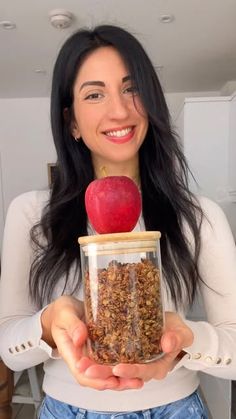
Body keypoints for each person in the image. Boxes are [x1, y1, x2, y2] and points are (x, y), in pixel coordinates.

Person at [0, 24, 236, 419]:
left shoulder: (199, 215)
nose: (120, 110)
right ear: (71, 120)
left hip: (174, 409)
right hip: (67, 410)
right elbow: (10, 346)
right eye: (94, 94)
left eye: (131, 88)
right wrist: (49, 323)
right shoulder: (31, 214)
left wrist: (184, 338)